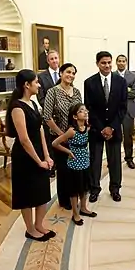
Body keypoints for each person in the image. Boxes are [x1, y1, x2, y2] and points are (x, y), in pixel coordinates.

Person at [5, 69, 55, 242]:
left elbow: (40, 129)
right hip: (25, 157)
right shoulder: (17, 108)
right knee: (26, 195)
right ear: (27, 85)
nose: (39, 85)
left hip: (39, 153)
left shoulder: (33, 104)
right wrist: (38, 161)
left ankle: (39, 224)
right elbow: (24, 139)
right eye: (36, 82)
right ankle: (30, 229)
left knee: (42, 191)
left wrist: (46, 156)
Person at [84, 51, 127, 203]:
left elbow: (123, 108)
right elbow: (89, 107)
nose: (107, 65)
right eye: (103, 63)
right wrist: (102, 127)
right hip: (97, 129)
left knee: (115, 161)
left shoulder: (121, 82)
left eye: (109, 62)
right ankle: (94, 189)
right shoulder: (89, 82)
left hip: (114, 128)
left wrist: (112, 127)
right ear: (97, 64)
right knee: (95, 160)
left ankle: (115, 189)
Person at [44, 63, 82, 210]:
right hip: (60, 139)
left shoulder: (77, 92)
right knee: (64, 171)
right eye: (68, 72)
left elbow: (81, 112)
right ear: (60, 73)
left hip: (76, 136)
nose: (71, 75)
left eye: (73, 73)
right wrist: (62, 134)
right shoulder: (52, 92)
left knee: (75, 169)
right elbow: (47, 117)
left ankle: (75, 196)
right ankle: (64, 200)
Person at [52, 103, 97, 225]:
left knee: (85, 188)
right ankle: (75, 214)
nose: (86, 112)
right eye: (81, 111)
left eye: (85, 110)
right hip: (74, 165)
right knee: (74, 190)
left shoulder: (87, 128)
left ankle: (83, 208)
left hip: (85, 163)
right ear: (75, 117)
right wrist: (68, 152)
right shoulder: (71, 131)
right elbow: (55, 143)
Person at [114, 54, 135, 169]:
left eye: (123, 61)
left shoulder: (134, 76)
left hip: (129, 111)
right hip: (115, 111)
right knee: (115, 136)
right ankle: (113, 160)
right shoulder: (112, 75)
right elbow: (110, 93)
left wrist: (120, 93)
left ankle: (129, 158)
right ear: (116, 62)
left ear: (126, 62)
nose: (121, 63)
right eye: (119, 61)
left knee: (128, 136)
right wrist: (126, 91)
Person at [37, 50, 60, 177]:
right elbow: (41, 99)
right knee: (49, 142)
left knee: (61, 141)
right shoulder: (41, 77)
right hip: (49, 116)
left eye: (56, 58)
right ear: (48, 61)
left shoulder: (63, 74)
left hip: (62, 117)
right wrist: (54, 108)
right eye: (52, 59)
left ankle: (60, 165)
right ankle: (51, 167)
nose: (54, 61)